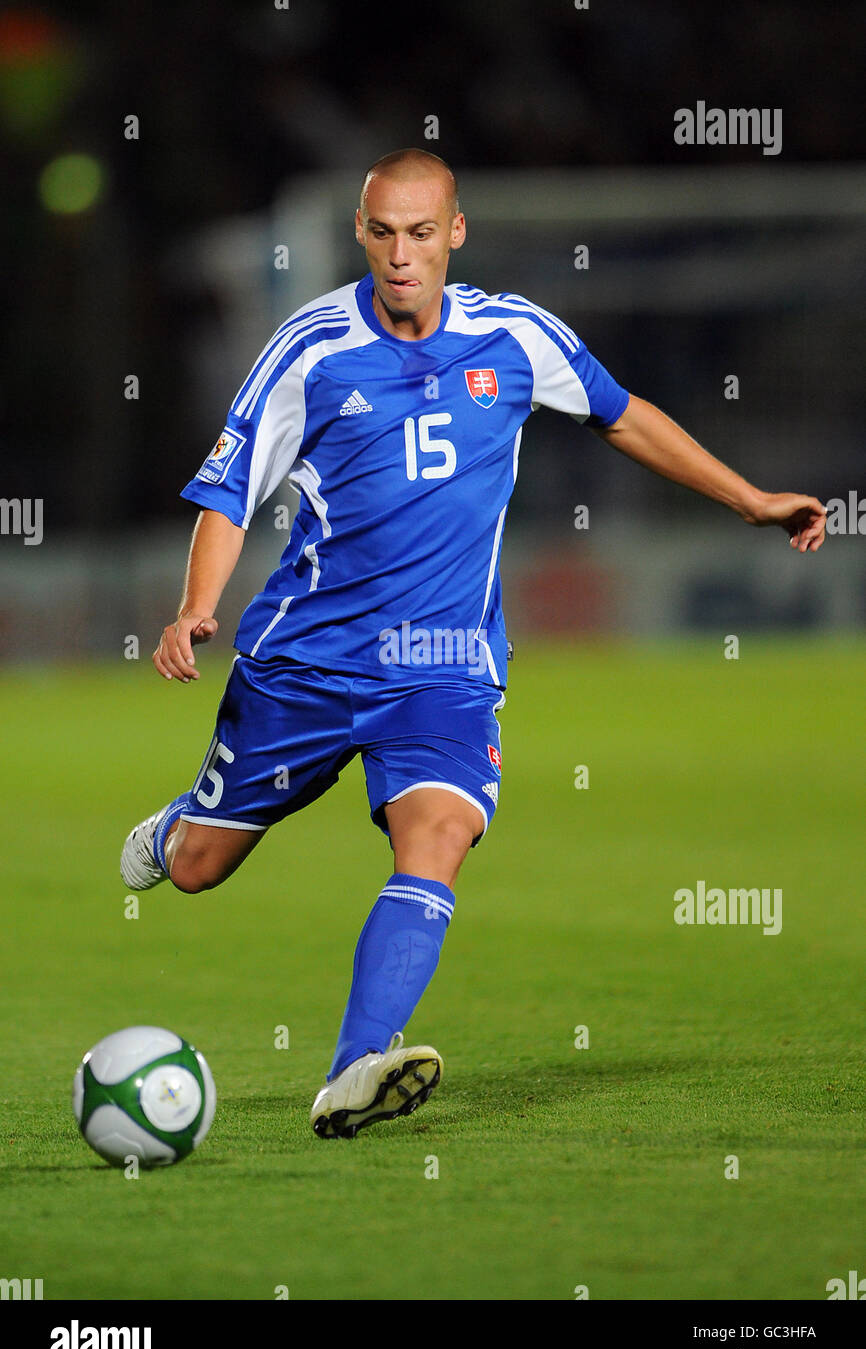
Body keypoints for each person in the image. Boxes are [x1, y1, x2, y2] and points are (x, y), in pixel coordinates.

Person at [121, 148, 826, 1139]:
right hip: (305, 668)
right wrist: (198, 604)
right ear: (360, 234)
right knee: (196, 867)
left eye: (421, 232)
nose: (401, 254)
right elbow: (230, 491)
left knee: (437, 835)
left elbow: (622, 417)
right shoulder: (310, 351)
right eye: (382, 233)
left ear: (454, 232)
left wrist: (748, 497)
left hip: (442, 671)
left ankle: (353, 1066)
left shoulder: (515, 336)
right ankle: (179, 822)